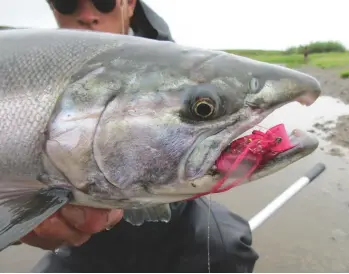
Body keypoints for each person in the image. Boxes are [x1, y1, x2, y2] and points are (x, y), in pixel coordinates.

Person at [19, 0, 260, 272]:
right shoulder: (32, 66)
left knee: (226, 247)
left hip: (177, 222)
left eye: (103, 2)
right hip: (86, 245)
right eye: (67, 3)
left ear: (130, 4)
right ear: (53, 9)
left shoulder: (180, 69)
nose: (88, 16)